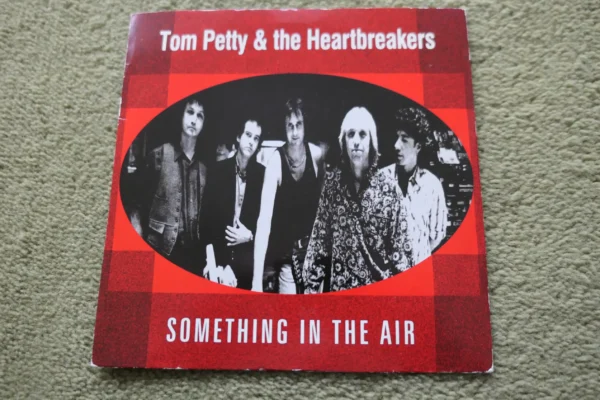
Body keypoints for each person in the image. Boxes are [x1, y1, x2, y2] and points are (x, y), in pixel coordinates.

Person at [302, 106, 414, 293]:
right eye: (350, 134)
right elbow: (319, 243)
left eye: (362, 134)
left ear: (372, 141)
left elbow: (403, 254)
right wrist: (310, 289)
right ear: (343, 141)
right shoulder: (332, 186)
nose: (356, 141)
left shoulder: (390, 191)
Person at [128, 96, 208, 274]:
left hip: (192, 258)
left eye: (200, 115)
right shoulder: (158, 155)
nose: (194, 120)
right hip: (161, 251)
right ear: (181, 116)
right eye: (190, 112)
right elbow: (136, 204)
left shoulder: (203, 168)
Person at [253, 98, 324, 293]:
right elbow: (263, 222)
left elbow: (324, 211)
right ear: (284, 128)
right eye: (290, 126)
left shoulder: (317, 155)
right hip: (286, 259)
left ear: (305, 125)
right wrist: (256, 282)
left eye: (298, 124)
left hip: (313, 256)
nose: (294, 132)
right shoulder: (275, 162)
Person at [201, 119, 265, 290]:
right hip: (217, 267)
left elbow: (268, 226)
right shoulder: (217, 171)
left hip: (246, 266)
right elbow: (206, 221)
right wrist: (214, 265)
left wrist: (250, 236)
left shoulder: (263, 175)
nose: (251, 142)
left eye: (256, 138)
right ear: (238, 136)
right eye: (248, 135)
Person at [381, 107, 448, 264]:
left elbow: (436, 236)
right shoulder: (381, 178)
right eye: (397, 138)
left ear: (418, 146)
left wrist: (414, 256)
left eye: (404, 139)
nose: (396, 145)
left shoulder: (432, 186)